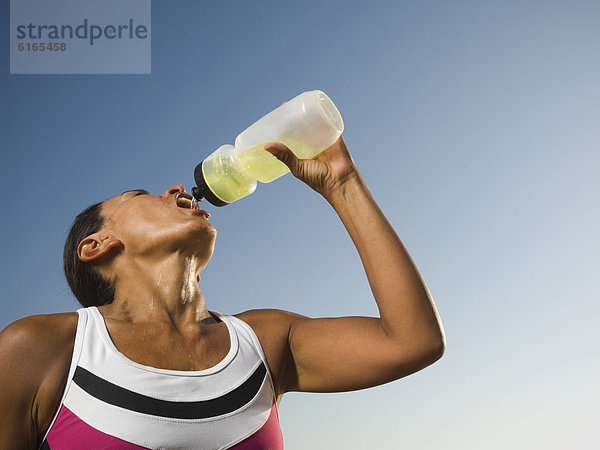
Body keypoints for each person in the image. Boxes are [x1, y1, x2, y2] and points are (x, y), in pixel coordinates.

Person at [0, 136, 445, 449]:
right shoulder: (42, 348)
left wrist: (343, 184)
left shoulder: (265, 340)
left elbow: (412, 341)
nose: (175, 188)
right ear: (96, 246)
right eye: (140, 195)